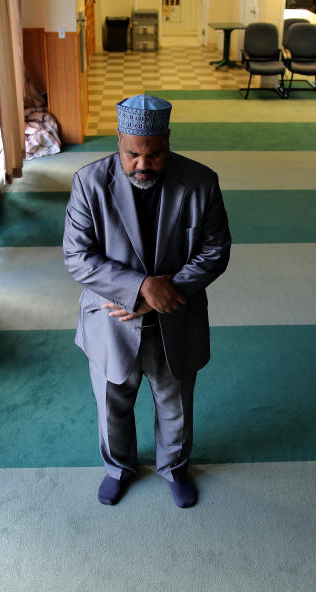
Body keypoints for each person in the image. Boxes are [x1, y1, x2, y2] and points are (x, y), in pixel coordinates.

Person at [63, 94, 231, 508]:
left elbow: (215, 251)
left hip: (175, 317)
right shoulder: (88, 182)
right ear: (118, 141)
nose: (142, 164)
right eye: (131, 154)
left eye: (153, 154)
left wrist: (159, 297)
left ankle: (173, 468)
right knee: (112, 402)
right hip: (111, 320)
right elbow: (77, 257)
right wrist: (140, 287)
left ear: (167, 141)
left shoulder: (200, 181)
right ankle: (118, 468)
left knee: (175, 404)